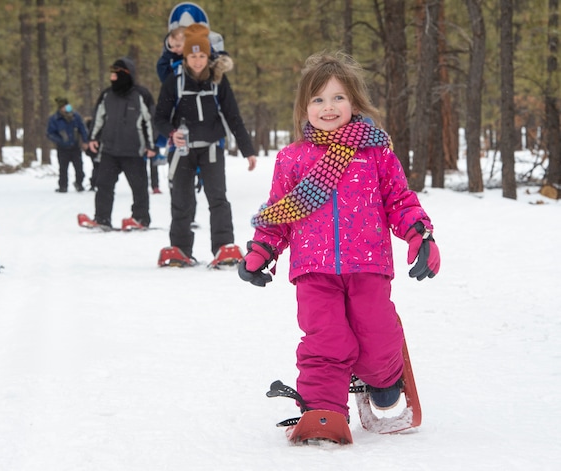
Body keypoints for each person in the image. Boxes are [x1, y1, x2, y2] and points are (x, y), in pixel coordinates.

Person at [238, 52, 441, 420]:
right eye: (318, 99)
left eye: (337, 98)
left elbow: (399, 200)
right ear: (304, 106)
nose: (328, 107)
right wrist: (261, 250)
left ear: (353, 102)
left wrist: (419, 236)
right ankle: (323, 411)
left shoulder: (375, 152)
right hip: (313, 271)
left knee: (376, 335)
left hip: (368, 266)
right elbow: (280, 214)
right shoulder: (292, 159)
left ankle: (381, 378)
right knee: (325, 340)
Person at [154, 24, 257, 268]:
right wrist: (171, 133)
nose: (198, 61)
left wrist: (248, 150)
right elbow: (159, 117)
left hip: (211, 147)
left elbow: (233, 116)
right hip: (182, 150)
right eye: (193, 56)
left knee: (217, 198)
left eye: (202, 56)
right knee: (182, 200)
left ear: (208, 56)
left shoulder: (218, 80)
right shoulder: (174, 80)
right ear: (185, 56)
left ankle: (224, 246)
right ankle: (179, 249)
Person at [87, 57, 156, 231]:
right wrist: (93, 138)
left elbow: (150, 121)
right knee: (103, 185)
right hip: (109, 150)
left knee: (139, 187)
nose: (112, 76)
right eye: (111, 73)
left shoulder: (141, 95)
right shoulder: (106, 95)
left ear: (126, 74)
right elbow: (98, 119)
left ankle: (141, 218)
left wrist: (151, 145)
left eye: (116, 73)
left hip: (134, 151)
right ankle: (102, 218)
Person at [46, 97, 89, 193]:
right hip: (62, 148)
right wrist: (60, 140)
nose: (67, 108)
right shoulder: (54, 119)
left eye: (67, 106)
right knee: (63, 169)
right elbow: (50, 133)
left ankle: (79, 184)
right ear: (61, 108)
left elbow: (83, 129)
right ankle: (63, 186)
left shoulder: (76, 116)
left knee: (79, 168)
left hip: (75, 147)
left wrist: (85, 141)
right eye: (64, 106)